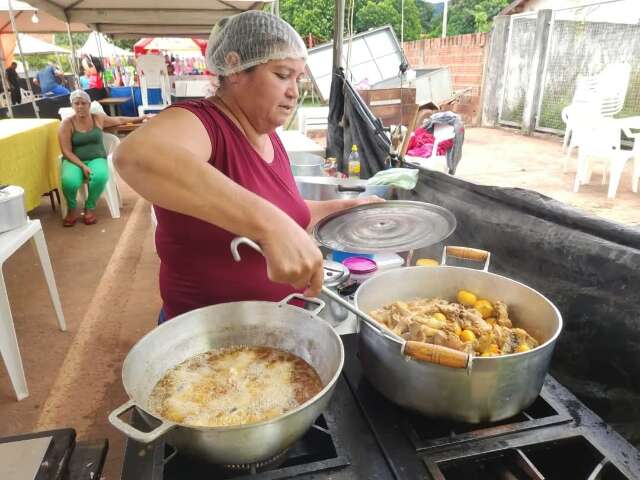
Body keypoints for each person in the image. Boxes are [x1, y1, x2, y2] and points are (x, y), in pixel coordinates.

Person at [114, 11, 381, 322]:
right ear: (236, 68)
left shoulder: (269, 137)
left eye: (299, 78)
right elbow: (136, 156)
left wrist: (351, 209)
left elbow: (287, 212)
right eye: (282, 75)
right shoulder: (203, 121)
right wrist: (270, 226)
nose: (294, 91)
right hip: (208, 342)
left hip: (277, 327)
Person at [58, 89, 147, 227]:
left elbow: (119, 119)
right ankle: (71, 208)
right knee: (69, 182)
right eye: (76, 103)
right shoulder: (67, 124)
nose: (80, 106)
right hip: (74, 160)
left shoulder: (97, 118)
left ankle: (89, 207)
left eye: (83, 103)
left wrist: (139, 118)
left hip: (96, 158)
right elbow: (66, 151)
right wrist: (82, 166)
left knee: (100, 176)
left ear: (89, 104)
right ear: (72, 105)